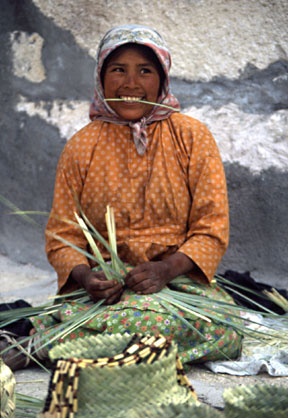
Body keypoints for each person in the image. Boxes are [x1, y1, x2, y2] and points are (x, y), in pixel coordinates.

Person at [11, 25, 243, 368]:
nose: (131, 83)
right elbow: (63, 236)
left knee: (226, 331)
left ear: (162, 79)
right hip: (105, 294)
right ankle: (71, 339)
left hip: (176, 288)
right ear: (101, 77)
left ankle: (47, 342)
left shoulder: (193, 138)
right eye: (118, 69)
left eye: (145, 71)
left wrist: (166, 270)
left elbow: (211, 228)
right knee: (149, 324)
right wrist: (86, 277)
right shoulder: (81, 147)